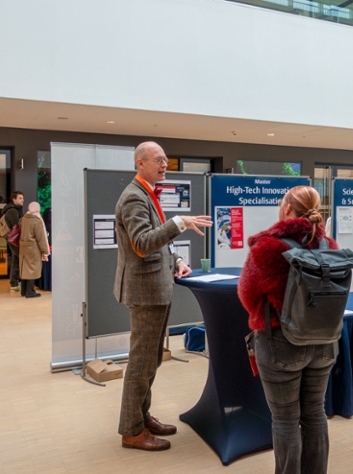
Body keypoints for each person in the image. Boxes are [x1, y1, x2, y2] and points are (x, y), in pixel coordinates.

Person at [114, 141, 212, 451]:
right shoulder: (133, 197)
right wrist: (179, 223)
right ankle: (131, 430)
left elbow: (157, 245)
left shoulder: (146, 194)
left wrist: (177, 261)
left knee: (151, 359)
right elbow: (142, 243)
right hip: (145, 292)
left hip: (156, 288)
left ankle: (142, 417)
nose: (164, 164)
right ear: (140, 163)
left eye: (166, 159)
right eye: (158, 160)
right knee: (142, 363)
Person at [238, 185, 338, 474]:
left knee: (285, 419)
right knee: (315, 412)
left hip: (280, 343)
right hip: (325, 342)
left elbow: (247, 295)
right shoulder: (328, 246)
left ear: (285, 209)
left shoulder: (268, 247)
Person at [18, 202, 50, 298]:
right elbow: (41, 238)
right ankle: (30, 291)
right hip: (33, 248)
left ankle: (23, 290)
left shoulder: (24, 218)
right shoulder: (37, 221)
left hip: (23, 247)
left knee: (25, 269)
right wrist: (45, 251)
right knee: (33, 269)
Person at [2, 191, 24, 291]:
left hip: (13, 239)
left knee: (16, 260)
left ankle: (14, 283)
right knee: (19, 260)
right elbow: (17, 226)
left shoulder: (16, 210)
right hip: (15, 239)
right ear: (14, 199)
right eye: (20, 198)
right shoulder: (12, 211)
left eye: (22, 198)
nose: (22, 200)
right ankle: (15, 283)